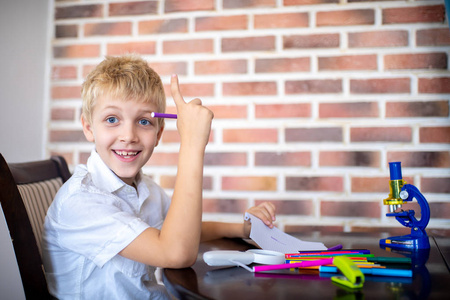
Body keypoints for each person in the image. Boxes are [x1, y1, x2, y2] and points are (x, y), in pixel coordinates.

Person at [41, 55, 276, 299]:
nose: (128, 135)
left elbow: (177, 232)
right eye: (112, 119)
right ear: (89, 127)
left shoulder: (147, 189)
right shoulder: (82, 202)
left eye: (144, 121)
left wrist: (242, 229)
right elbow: (176, 252)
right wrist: (193, 145)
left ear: (159, 132)